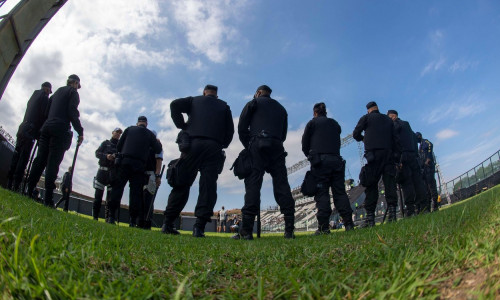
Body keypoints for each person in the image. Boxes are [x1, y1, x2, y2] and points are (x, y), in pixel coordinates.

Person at [162, 84, 234, 237]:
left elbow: (174, 104)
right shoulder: (224, 107)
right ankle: (199, 227)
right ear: (217, 95)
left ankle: (168, 223)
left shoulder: (194, 100)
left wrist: (182, 125)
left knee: (181, 183)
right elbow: (230, 130)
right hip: (213, 147)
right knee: (208, 186)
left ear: (204, 92)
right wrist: (222, 144)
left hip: (192, 145)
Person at [233, 85, 295, 240]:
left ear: (258, 93)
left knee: (253, 184)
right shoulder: (281, 109)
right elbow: (283, 135)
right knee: (282, 184)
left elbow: (241, 128)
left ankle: (246, 231)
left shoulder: (252, 103)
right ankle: (289, 230)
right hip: (276, 147)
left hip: (257, 144)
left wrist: (249, 145)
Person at [26, 75, 84, 207]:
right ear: (75, 83)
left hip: (46, 127)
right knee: (53, 163)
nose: (77, 88)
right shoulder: (73, 93)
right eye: (77, 85)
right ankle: (48, 199)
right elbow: (72, 112)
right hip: (60, 128)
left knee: (40, 159)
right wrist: (80, 131)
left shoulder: (57, 92)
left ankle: (28, 190)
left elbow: (46, 111)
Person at [301, 102, 354, 234]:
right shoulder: (334, 124)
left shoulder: (312, 124)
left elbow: (304, 144)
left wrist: (312, 156)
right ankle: (348, 223)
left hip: (320, 163)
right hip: (336, 161)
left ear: (314, 113)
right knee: (340, 193)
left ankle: (324, 227)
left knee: (322, 193)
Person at [107, 116, 162, 226]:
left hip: (124, 163)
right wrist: (157, 142)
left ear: (138, 123)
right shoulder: (150, 134)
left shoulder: (129, 129)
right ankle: (132, 221)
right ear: (146, 124)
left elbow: (119, 146)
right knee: (135, 194)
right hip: (139, 166)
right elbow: (158, 149)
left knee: (117, 189)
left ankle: (111, 216)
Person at [353, 101, 398, 227]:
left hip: (373, 157)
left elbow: (355, 134)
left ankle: (370, 218)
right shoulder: (388, 120)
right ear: (377, 108)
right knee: (390, 184)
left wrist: (364, 139)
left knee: (371, 186)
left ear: (368, 110)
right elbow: (395, 139)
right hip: (388, 155)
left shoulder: (366, 118)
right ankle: (393, 214)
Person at [7, 82, 52, 192]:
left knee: (16, 155)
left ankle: (9, 182)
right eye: (49, 92)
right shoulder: (44, 98)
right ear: (47, 89)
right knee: (24, 158)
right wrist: (39, 134)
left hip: (22, 127)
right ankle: (16, 184)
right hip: (31, 130)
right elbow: (43, 116)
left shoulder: (33, 96)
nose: (49, 94)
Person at [387, 110, 427, 217]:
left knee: (407, 183)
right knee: (418, 182)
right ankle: (423, 207)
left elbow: (395, 142)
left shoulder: (396, 126)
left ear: (394, 116)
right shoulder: (408, 126)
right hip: (414, 157)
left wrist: (397, 159)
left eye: (390, 117)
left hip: (404, 157)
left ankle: (410, 210)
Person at [92, 128, 122, 221]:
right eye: (116, 132)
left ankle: (108, 218)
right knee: (98, 197)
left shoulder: (120, 147)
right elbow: (97, 153)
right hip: (102, 172)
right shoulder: (105, 143)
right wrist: (106, 156)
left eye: (119, 133)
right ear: (113, 132)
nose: (118, 134)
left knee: (110, 200)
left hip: (112, 174)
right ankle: (95, 217)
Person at [141, 129, 163, 229]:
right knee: (139, 197)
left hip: (151, 174)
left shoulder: (157, 146)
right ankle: (139, 221)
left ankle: (147, 222)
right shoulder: (142, 144)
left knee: (148, 198)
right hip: (140, 173)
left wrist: (157, 176)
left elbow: (159, 161)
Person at [416, 132, 439, 212]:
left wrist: (428, 158)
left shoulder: (426, 142)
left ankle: (435, 205)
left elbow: (430, 145)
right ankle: (428, 207)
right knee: (426, 189)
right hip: (424, 169)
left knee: (431, 186)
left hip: (429, 167)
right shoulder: (420, 147)